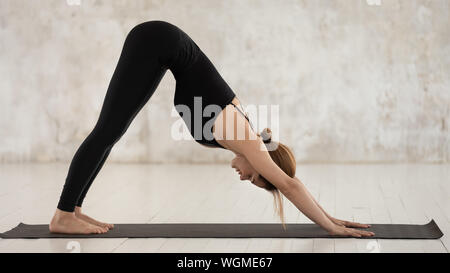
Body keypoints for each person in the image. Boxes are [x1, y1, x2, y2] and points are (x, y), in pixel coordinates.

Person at [49, 20, 374, 238]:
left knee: (111, 132)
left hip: (162, 48)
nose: (247, 178)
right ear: (262, 164)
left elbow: (287, 181)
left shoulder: (241, 135)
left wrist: (331, 218)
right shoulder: (247, 139)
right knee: (106, 131)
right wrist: (333, 226)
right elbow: (289, 185)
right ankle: (63, 215)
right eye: (257, 177)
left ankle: (74, 209)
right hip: (157, 40)